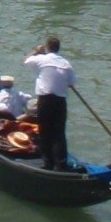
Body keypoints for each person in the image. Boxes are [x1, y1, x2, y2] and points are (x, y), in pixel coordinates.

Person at [23, 36, 76, 167]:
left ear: (47, 47)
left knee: (45, 131)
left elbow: (26, 61)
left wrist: (36, 51)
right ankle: (61, 162)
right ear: (59, 48)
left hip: (45, 101)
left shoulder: (41, 59)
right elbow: (72, 83)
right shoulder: (66, 64)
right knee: (59, 133)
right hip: (60, 102)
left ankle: (48, 162)